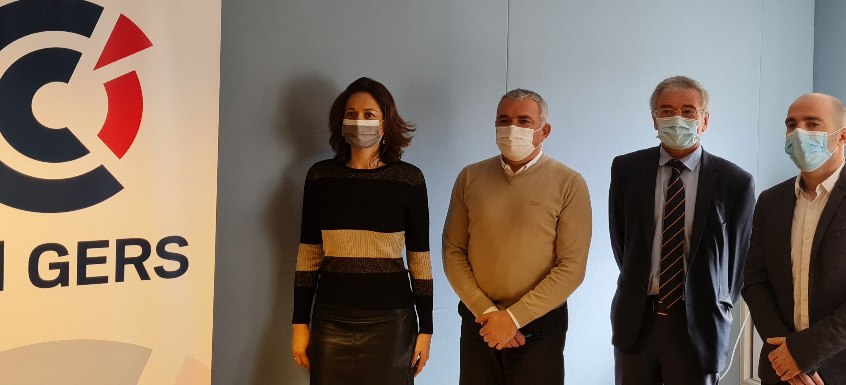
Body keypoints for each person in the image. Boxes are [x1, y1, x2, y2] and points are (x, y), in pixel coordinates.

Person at [609, 75, 755, 384]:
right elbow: (622, 242)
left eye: (688, 111)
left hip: (700, 325)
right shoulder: (626, 170)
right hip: (637, 321)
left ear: (704, 121)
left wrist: (718, 304)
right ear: (654, 119)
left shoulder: (735, 181)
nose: (677, 118)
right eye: (667, 110)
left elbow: (739, 261)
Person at [442, 88, 592, 384]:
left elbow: (571, 267)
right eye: (504, 120)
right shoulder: (469, 177)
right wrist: (489, 314)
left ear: (544, 131)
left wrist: (512, 319)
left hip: (539, 327)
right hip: (479, 322)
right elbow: (453, 251)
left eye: (524, 121)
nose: (512, 128)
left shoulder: (570, 183)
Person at [290, 77, 432, 384]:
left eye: (369, 114)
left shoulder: (409, 180)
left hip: (392, 322)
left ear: (385, 121)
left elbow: (419, 260)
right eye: (351, 114)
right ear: (340, 120)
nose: (359, 121)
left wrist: (426, 329)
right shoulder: (320, 177)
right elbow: (308, 256)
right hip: (331, 319)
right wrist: (300, 323)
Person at [743, 93, 846, 385]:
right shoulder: (770, 201)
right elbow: (754, 281)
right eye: (791, 125)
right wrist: (784, 355)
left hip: (844, 370)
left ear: (843, 136)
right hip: (779, 368)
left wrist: (803, 353)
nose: (798, 132)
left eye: (812, 124)